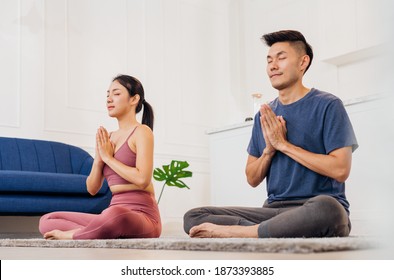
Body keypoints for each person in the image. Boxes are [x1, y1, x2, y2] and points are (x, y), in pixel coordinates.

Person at [183, 30, 358, 238]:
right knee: (194, 216)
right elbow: (252, 178)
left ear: (303, 63)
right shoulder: (264, 116)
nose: (272, 66)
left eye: (281, 58)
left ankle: (237, 232)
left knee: (330, 210)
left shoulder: (328, 105)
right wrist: (269, 150)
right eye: (269, 60)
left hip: (314, 207)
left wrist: (284, 145)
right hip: (272, 212)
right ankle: (264, 230)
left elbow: (340, 169)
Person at [39, 74, 161, 240]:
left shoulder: (142, 132)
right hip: (112, 214)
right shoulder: (108, 138)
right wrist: (99, 159)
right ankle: (100, 230)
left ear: (134, 99)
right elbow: (92, 189)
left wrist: (109, 158)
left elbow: (142, 179)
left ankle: (74, 235)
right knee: (48, 220)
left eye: (116, 94)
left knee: (114, 215)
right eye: (107, 95)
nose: (109, 99)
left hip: (142, 217)